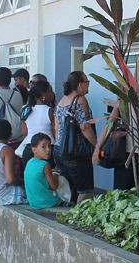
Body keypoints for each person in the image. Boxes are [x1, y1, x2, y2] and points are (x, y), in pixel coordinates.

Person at [54, 71, 96, 204]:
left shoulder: (61, 101)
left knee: (69, 188)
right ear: (80, 84)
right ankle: (78, 218)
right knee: (85, 190)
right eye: (87, 82)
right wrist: (97, 144)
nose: (88, 85)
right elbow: (85, 127)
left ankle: (68, 216)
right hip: (76, 152)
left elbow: (56, 128)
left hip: (60, 150)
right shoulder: (80, 100)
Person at [93, 99, 139, 190]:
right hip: (127, 154)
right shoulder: (122, 103)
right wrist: (97, 148)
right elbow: (109, 125)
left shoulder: (133, 104)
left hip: (134, 154)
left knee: (127, 192)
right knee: (127, 192)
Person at [16, 81, 55, 167]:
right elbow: (55, 131)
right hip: (47, 149)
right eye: (49, 91)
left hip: (30, 148)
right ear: (43, 94)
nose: (52, 94)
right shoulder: (49, 110)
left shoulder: (25, 109)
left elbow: (24, 132)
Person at [24, 133, 62, 209]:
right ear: (34, 150)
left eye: (49, 146)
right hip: (48, 203)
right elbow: (54, 186)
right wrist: (56, 174)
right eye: (43, 147)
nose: (48, 149)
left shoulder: (30, 162)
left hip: (34, 203)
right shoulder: (45, 165)